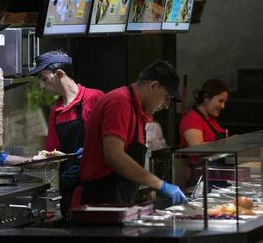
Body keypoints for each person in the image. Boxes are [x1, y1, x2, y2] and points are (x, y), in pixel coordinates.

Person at [0, 50, 103, 219]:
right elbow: (51, 159)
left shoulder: (94, 98)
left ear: (59, 74)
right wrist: (8, 159)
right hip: (70, 191)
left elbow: (113, 146)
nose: (42, 86)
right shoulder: (56, 112)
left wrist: (89, 160)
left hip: (98, 191)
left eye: (44, 79)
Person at [73, 60, 187, 207]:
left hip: (118, 199)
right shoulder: (120, 102)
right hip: (100, 200)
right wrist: (159, 184)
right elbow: (114, 156)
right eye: (167, 98)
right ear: (153, 86)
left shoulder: (139, 110)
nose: (166, 106)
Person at [179, 79, 229, 148]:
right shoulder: (191, 120)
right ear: (206, 97)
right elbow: (197, 148)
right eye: (220, 101)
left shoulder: (213, 119)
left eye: (224, 102)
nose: (223, 106)